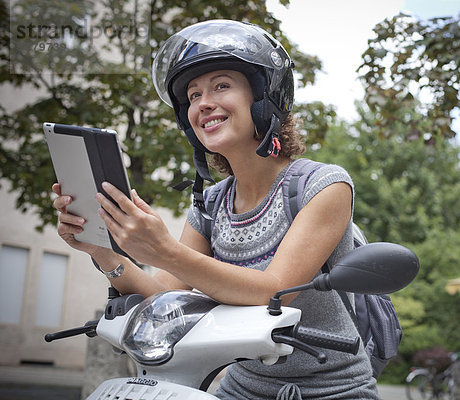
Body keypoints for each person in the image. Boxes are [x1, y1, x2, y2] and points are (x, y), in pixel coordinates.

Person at [52, 19, 380, 399]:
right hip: (241, 389)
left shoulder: (323, 186)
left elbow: (272, 293)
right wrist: (103, 251)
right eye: (192, 96)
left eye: (221, 86)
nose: (203, 103)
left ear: (263, 98)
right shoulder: (210, 204)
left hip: (334, 390)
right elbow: (162, 300)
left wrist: (164, 249)